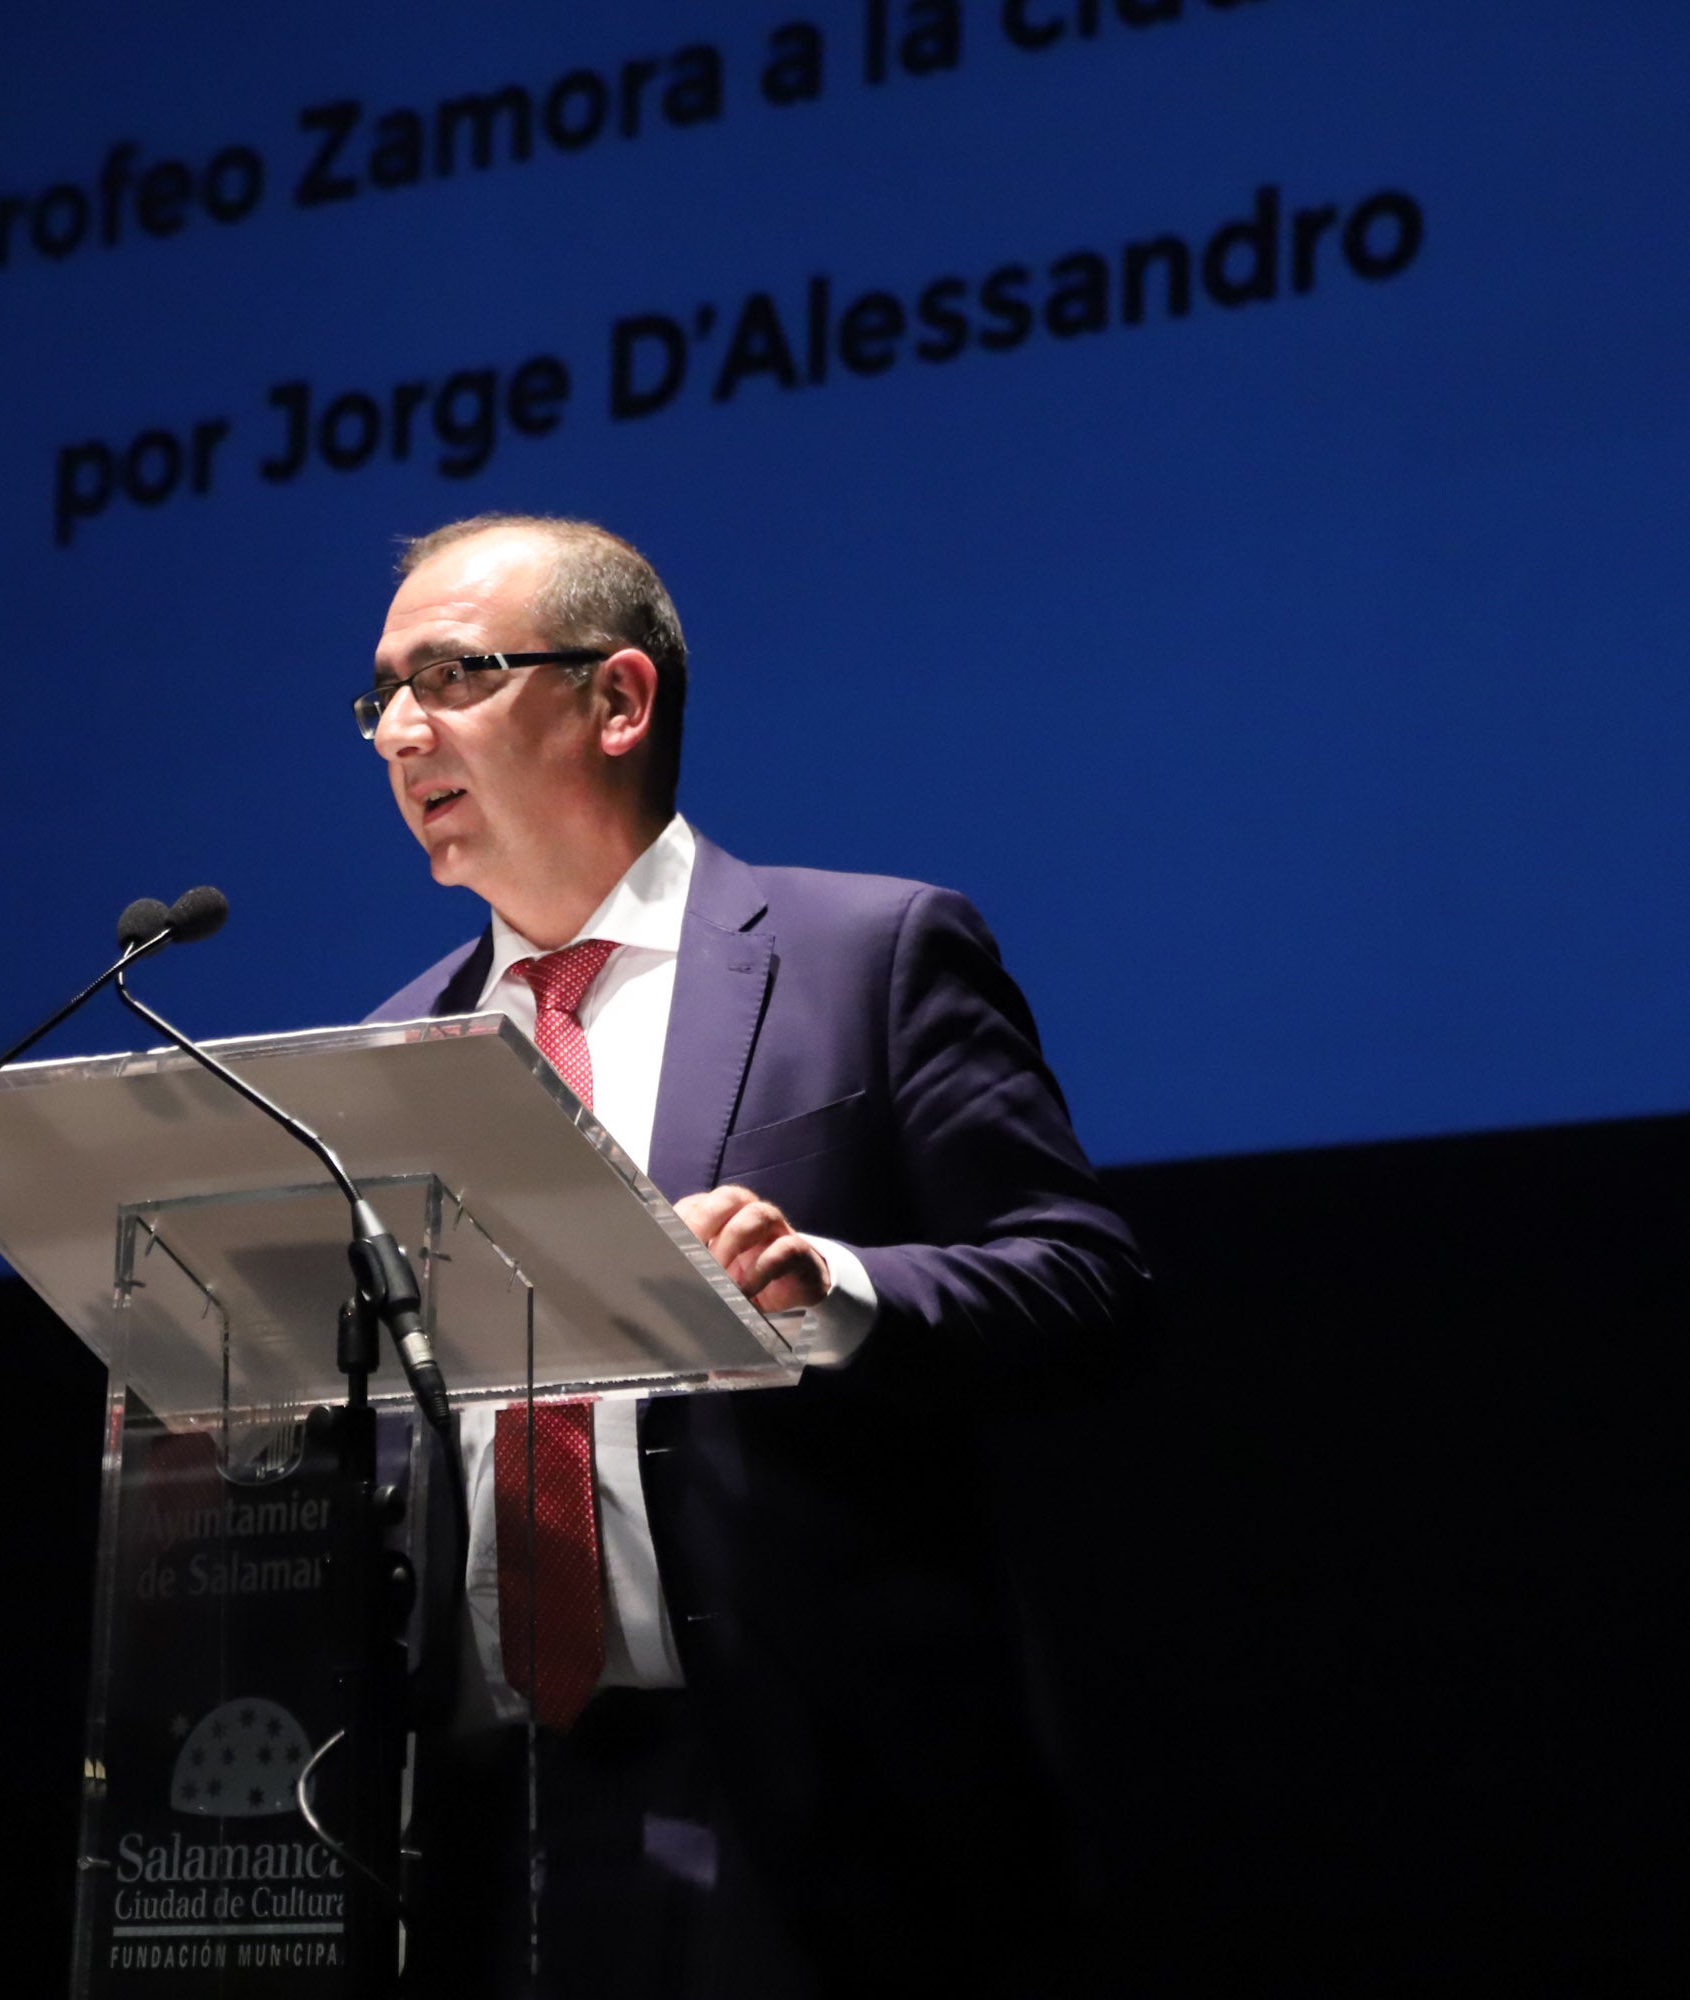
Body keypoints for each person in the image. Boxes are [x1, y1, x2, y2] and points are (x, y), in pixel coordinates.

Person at [359, 514, 1150, 1996]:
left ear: (616, 700)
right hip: (473, 1811)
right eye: (383, 695)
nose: (403, 731)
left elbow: (1082, 1283)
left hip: (809, 1794)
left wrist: (832, 1288)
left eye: (452, 674)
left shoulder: (870, 953)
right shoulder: (398, 1051)